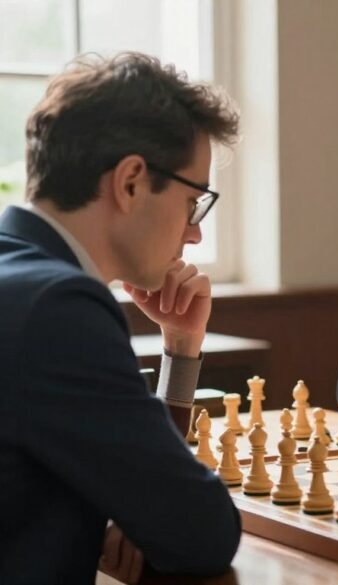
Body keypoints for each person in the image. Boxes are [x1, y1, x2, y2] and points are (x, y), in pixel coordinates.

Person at [0, 53, 241, 584]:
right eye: (193, 202)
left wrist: (181, 346)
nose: (194, 233)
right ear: (132, 181)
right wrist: (146, 511)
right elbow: (202, 531)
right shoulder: (56, 310)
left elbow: (153, 499)